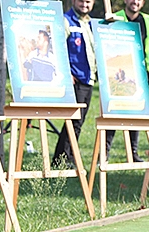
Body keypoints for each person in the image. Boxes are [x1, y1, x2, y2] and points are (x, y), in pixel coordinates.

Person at [105, 0, 149, 162]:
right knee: (112, 112)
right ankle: (105, 152)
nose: (135, 2)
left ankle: (133, 153)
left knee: (135, 113)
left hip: (141, 73)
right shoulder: (114, 18)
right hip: (119, 69)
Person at [51, 0, 97, 169]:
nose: (84, 4)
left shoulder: (91, 23)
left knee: (78, 121)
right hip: (75, 79)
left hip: (88, 78)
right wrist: (66, 72)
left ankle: (63, 158)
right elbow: (56, 47)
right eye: (81, 1)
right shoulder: (66, 20)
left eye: (88, 1)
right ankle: (63, 160)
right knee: (74, 121)